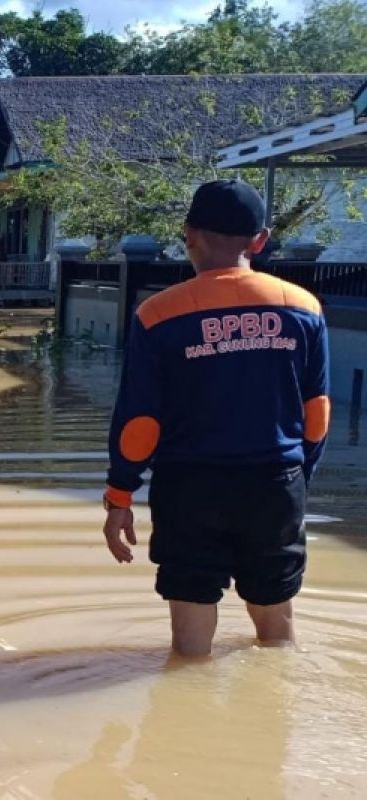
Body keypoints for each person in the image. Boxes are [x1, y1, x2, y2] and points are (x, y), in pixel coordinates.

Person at [102, 179, 331, 657]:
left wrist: (119, 495)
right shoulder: (304, 308)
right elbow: (316, 414)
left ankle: (181, 720)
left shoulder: (158, 314)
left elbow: (140, 422)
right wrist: (295, 480)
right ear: (261, 240)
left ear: (189, 235)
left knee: (189, 639)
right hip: (275, 481)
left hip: (190, 486)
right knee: (276, 625)